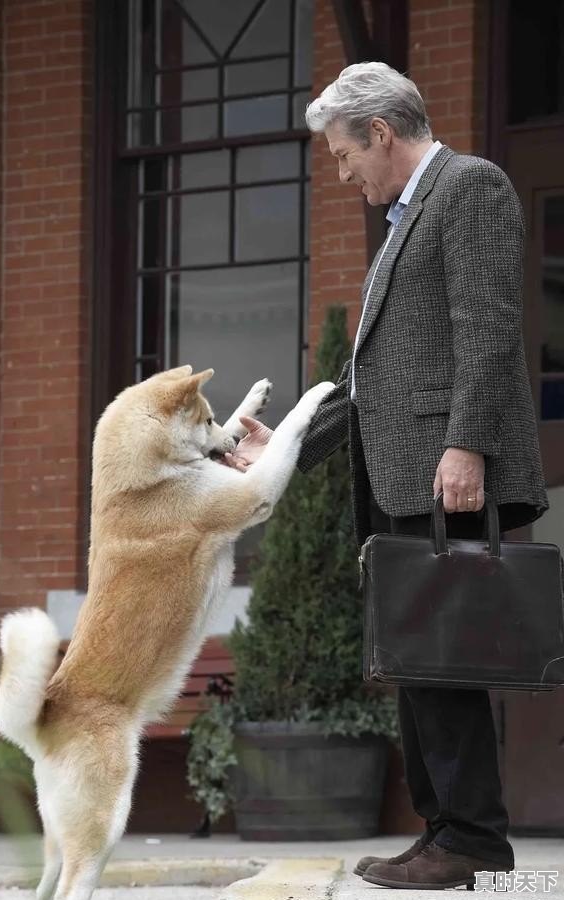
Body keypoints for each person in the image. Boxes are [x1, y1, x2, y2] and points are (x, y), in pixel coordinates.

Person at [223, 62, 548, 891]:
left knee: (443, 658)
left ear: (380, 132)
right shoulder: (407, 217)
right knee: (419, 657)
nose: (341, 175)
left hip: (445, 470)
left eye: (341, 156)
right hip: (407, 470)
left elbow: (489, 326)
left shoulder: (469, 187)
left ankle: (471, 837)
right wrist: (289, 446)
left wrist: (467, 445)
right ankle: (446, 830)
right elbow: (375, 379)